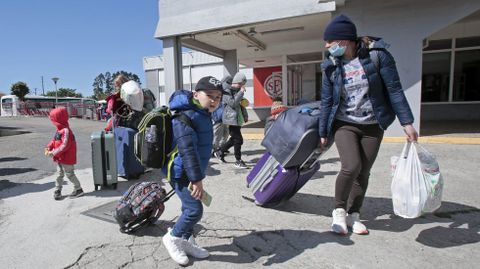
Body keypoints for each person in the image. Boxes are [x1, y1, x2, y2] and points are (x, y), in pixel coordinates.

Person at [319, 15, 418, 235]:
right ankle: (338, 212)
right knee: (351, 166)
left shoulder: (378, 57)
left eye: (330, 41)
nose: (326, 46)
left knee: (364, 172)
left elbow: (394, 89)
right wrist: (323, 131)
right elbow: (327, 100)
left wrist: (407, 122)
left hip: (373, 125)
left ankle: (355, 215)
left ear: (345, 40)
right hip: (345, 124)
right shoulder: (330, 64)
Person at [162, 76, 224, 265]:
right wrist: (197, 179)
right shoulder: (185, 116)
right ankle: (172, 238)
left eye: (218, 97)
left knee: (188, 207)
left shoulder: (202, 112)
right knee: (193, 211)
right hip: (180, 172)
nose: (214, 100)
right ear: (196, 94)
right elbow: (187, 149)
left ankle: (186, 240)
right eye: (210, 95)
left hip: (190, 171)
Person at [45, 107, 84, 200]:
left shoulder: (66, 130)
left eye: (53, 119)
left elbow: (65, 145)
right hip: (60, 158)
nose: (52, 122)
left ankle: (78, 189)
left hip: (67, 158)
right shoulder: (59, 130)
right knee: (59, 174)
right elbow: (54, 140)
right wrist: (48, 147)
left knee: (69, 174)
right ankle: (58, 189)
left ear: (58, 119)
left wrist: (53, 153)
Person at [216, 72, 249, 168]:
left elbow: (241, 106)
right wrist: (241, 92)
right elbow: (233, 103)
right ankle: (238, 160)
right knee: (238, 139)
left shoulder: (238, 91)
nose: (242, 86)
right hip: (230, 120)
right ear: (238, 82)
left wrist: (245, 116)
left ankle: (220, 151)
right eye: (242, 84)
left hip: (238, 119)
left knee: (234, 139)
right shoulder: (226, 91)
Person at [211, 75, 232, 156]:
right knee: (216, 136)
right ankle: (213, 150)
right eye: (229, 82)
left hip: (226, 119)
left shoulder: (227, 93)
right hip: (218, 119)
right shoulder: (216, 93)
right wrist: (215, 117)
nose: (230, 85)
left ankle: (221, 148)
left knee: (226, 134)